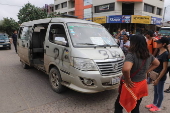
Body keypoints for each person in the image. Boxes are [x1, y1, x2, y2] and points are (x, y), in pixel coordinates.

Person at [114, 35, 159, 113]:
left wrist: (127, 79)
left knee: (118, 105)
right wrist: (146, 71)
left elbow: (126, 69)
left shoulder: (131, 55)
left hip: (131, 85)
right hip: (142, 84)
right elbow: (157, 63)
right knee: (136, 105)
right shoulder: (148, 54)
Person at [145, 37, 169, 112]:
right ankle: (154, 103)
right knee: (155, 91)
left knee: (160, 91)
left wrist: (158, 79)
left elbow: (164, 68)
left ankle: (158, 106)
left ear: (164, 44)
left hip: (160, 76)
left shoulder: (165, 54)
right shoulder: (159, 51)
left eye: (158, 43)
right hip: (155, 75)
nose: (157, 43)